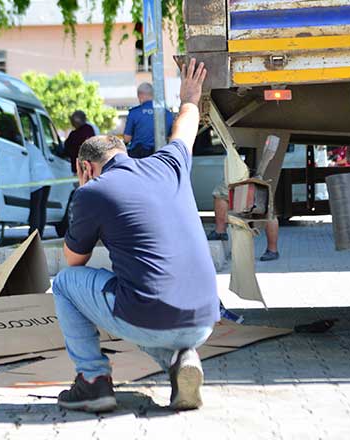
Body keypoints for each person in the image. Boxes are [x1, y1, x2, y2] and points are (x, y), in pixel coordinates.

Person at [52, 59, 215, 413]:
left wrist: (85, 200)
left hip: (151, 317)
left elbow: (73, 261)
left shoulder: (92, 191)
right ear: (122, 153)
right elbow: (185, 125)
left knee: (66, 284)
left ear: (85, 168)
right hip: (204, 320)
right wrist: (189, 95)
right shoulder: (169, 164)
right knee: (141, 292)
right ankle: (181, 362)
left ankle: (93, 381)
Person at [207, 182, 280, 261]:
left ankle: (220, 231)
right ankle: (272, 250)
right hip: (266, 175)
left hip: (247, 173)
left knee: (220, 192)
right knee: (268, 205)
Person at [123, 82, 173, 158]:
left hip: (139, 158)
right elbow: (171, 137)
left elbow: (127, 138)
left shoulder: (134, 113)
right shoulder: (167, 113)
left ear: (140, 95)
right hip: (161, 156)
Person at [27, 141, 54, 238]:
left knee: (35, 208)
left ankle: (33, 235)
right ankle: (39, 235)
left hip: (37, 179)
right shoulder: (32, 146)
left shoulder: (24, 148)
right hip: (47, 177)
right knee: (41, 208)